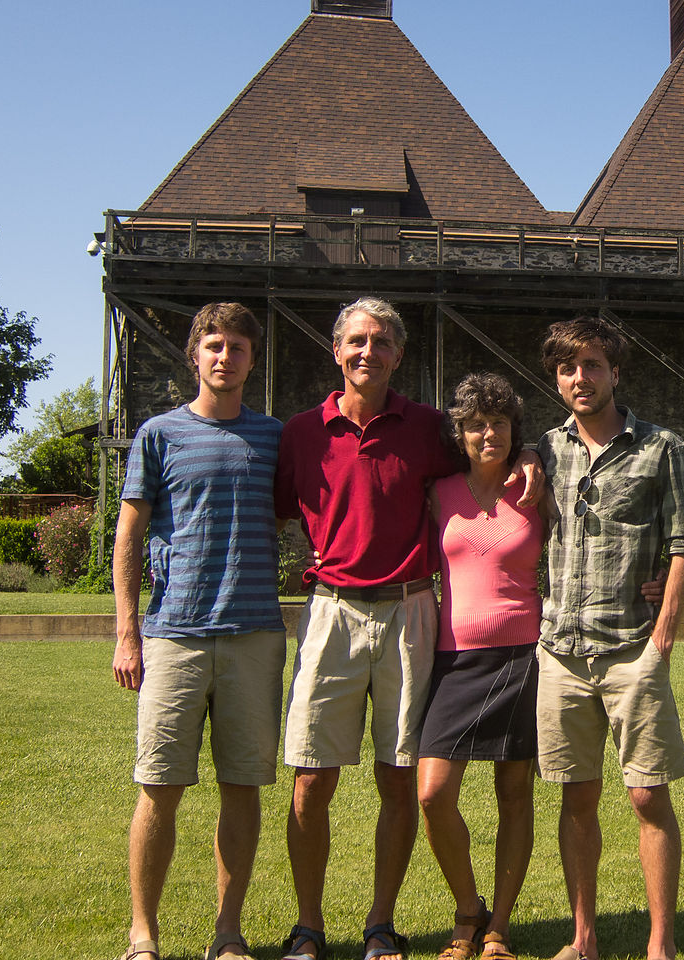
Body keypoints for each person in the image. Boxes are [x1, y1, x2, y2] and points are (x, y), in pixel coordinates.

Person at [274, 298, 540, 960]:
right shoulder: (301, 433)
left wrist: (531, 453)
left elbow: (492, 445)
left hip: (410, 612)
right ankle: (308, 927)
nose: (369, 352)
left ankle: (380, 925)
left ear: (399, 355)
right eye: (357, 341)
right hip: (331, 611)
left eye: (384, 342)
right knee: (312, 778)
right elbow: (269, 508)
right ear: (336, 351)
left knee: (400, 779)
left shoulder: (426, 428)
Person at [112, 301, 285, 960]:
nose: (225, 356)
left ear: (251, 358)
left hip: (254, 635)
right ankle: (143, 933)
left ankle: (228, 931)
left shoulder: (273, 436)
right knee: (159, 788)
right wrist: (127, 631)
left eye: (238, 346)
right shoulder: (158, 433)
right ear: (194, 355)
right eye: (213, 344)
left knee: (242, 788)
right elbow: (129, 531)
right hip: (174, 633)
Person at [534, 316, 684, 960]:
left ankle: (660, 943)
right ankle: (584, 938)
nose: (581, 378)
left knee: (646, 793)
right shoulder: (544, 451)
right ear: (558, 379)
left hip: (633, 645)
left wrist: (663, 638)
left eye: (593, 365)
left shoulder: (663, 449)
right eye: (568, 368)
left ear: (616, 372)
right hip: (560, 650)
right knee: (577, 796)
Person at [417, 373, 545, 960]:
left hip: (523, 657)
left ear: (514, 428)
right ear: (460, 433)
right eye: (475, 424)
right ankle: (468, 908)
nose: (487, 433)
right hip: (454, 661)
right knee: (433, 792)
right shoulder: (438, 490)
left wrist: (533, 456)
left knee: (513, 792)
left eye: (498, 422)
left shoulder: (535, 490)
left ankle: (499, 926)